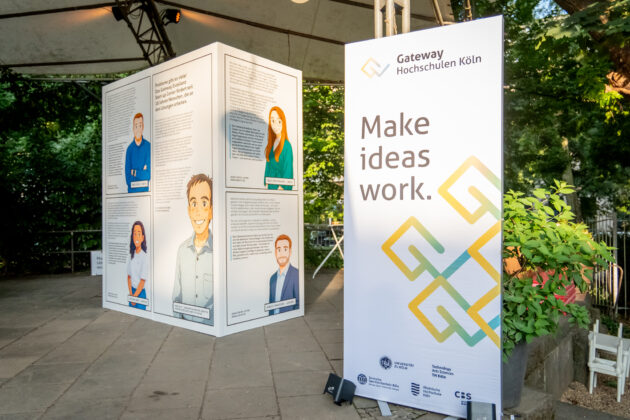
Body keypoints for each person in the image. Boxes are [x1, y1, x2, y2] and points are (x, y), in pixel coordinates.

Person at [172, 174, 214, 325]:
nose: (198, 211)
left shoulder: (219, 252)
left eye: (204, 203)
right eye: (194, 203)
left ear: (211, 210)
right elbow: (177, 295)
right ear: (189, 210)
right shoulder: (182, 251)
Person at [263, 106, 293, 190]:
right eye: (272, 121)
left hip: (280, 188)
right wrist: (266, 184)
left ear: (283, 123)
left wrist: (282, 187)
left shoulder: (287, 146)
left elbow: (288, 169)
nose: (275, 125)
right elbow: (268, 166)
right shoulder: (271, 144)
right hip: (270, 186)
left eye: (279, 121)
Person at [268, 234, 299, 315]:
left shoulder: (296, 274)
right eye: (278, 250)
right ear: (275, 253)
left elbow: (298, 303)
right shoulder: (272, 279)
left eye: (285, 249)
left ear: (290, 251)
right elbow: (271, 306)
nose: (282, 254)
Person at [125, 112, 151, 193]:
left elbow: (148, 175)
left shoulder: (148, 147)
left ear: (143, 127)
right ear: (133, 128)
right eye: (136, 126)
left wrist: (134, 172)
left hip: (145, 193)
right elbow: (128, 180)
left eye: (140, 125)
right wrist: (142, 173)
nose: (138, 129)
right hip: (131, 194)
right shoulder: (129, 149)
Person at [127, 221, 148, 310]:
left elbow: (142, 281)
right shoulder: (131, 255)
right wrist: (131, 294)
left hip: (140, 293)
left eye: (139, 234)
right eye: (134, 234)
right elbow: (129, 277)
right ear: (132, 236)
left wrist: (134, 297)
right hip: (132, 292)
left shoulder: (144, 256)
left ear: (142, 237)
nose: (136, 236)